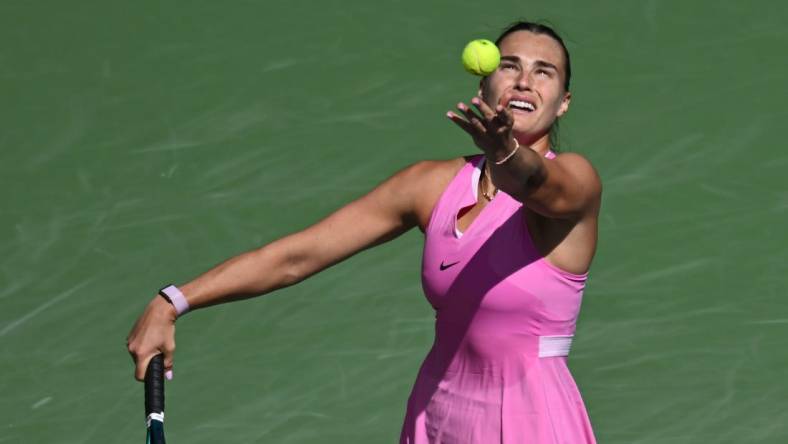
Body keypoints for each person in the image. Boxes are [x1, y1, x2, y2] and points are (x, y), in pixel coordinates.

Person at [127, 20, 601, 443]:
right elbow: (299, 256)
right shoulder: (432, 185)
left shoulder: (576, 182)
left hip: (531, 423)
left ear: (564, 103)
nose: (523, 80)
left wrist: (504, 155)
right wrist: (174, 301)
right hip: (436, 419)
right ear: (485, 79)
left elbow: (539, 184)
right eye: (510, 65)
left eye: (545, 72)